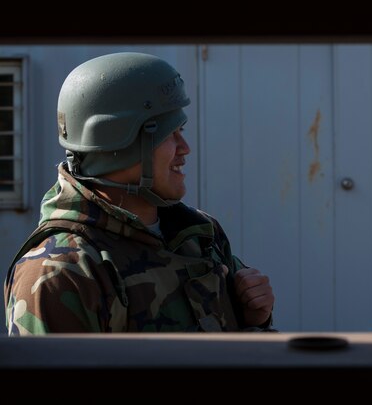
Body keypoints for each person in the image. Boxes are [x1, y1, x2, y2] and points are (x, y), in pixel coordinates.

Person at [4, 52, 276, 334]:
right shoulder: (60, 271)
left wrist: (254, 318)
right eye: (170, 134)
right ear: (121, 141)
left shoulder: (199, 235)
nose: (185, 148)